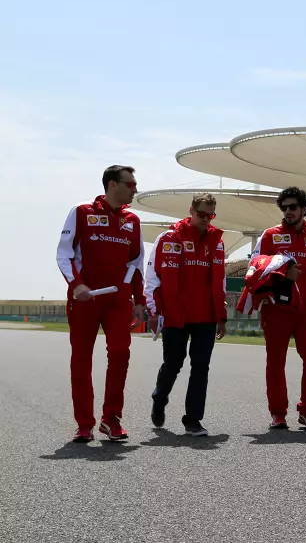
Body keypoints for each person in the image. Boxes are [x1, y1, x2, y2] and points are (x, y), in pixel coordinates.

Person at [56, 165, 147, 443]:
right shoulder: (82, 211)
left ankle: (111, 420)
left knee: (120, 353)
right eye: (130, 184)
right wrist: (77, 285)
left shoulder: (132, 219)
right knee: (81, 359)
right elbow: (64, 252)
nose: (134, 189)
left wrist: (139, 300)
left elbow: (136, 262)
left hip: (118, 299)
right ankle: (84, 424)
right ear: (112, 184)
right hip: (86, 298)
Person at [144, 192, 227, 437]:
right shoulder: (169, 238)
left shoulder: (217, 241)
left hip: (206, 317)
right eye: (200, 214)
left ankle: (193, 419)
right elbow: (152, 278)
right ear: (191, 211)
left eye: (210, 215)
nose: (205, 219)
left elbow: (220, 281)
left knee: (201, 367)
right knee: (173, 363)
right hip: (174, 315)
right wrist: (153, 311)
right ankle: (159, 398)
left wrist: (221, 316)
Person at [250, 187, 306, 430]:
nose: (288, 211)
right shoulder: (270, 236)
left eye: (292, 207)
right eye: (284, 207)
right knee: (276, 362)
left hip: (305, 310)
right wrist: (284, 274)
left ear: (304, 209)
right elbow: (255, 270)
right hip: (276, 310)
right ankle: (278, 413)